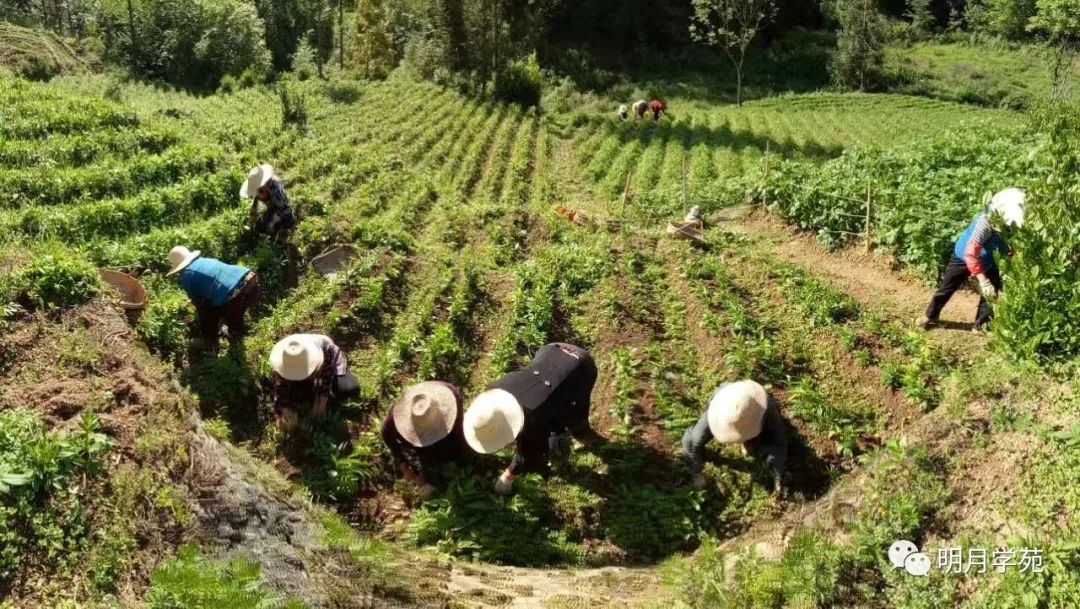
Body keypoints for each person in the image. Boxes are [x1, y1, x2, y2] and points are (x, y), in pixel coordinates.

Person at [463, 343, 599, 495]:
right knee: (551, 409)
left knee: (571, 413)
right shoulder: (493, 392)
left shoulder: (533, 417)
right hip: (551, 350)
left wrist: (508, 477)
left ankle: (581, 432)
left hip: (579, 366)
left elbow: (530, 455)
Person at [919, 188, 1025, 332]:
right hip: (964, 256)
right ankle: (930, 315)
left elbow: (1013, 246)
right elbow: (971, 253)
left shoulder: (1018, 220)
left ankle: (982, 326)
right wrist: (983, 281)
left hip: (992, 258)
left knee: (990, 295)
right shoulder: (986, 221)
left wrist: (1009, 260)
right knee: (947, 288)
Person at [681, 380, 788, 493]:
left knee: (759, 450)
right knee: (692, 440)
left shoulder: (766, 409)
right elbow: (693, 443)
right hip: (727, 406)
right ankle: (748, 440)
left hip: (757, 417)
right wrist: (696, 471)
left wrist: (778, 475)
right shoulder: (716, 412)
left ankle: (750, 442)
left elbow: (778, 444)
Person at [381, 381, 467, 500]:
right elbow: (386, 434)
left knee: (452, 449)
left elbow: (459, 433)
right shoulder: (394, 421)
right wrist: (402, 464)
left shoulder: (451, 397)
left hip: (448, 434)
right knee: (427, 457)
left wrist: (461, 453)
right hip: (423, 448)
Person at [167, 246, 259, 348]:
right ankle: (235, 332)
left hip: (237, 294)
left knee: (207, 311)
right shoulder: (204, 260)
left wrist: (206, 325)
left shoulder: (187, 276)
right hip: (251, 281)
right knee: (231, 312)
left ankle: (210, 341)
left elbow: (201, 305)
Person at [270, 333, 360, 428]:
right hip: (309, 370)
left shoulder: (324, 352)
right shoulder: (286, 357)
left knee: (347, 390)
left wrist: (319, 410)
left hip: (329, 363)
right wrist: (285, 410)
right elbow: (280, 387)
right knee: (300, 393)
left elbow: (326, 380)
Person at [241, 164, 297, 241]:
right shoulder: (259, 190)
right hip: (273, 207)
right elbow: (254, 207)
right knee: (260, 226)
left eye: (260, 191)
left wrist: (273, 222)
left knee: (281, 228)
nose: (258, 195)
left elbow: (286, 208)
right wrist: (250, 223)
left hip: (283, 211)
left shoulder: (276, 191)